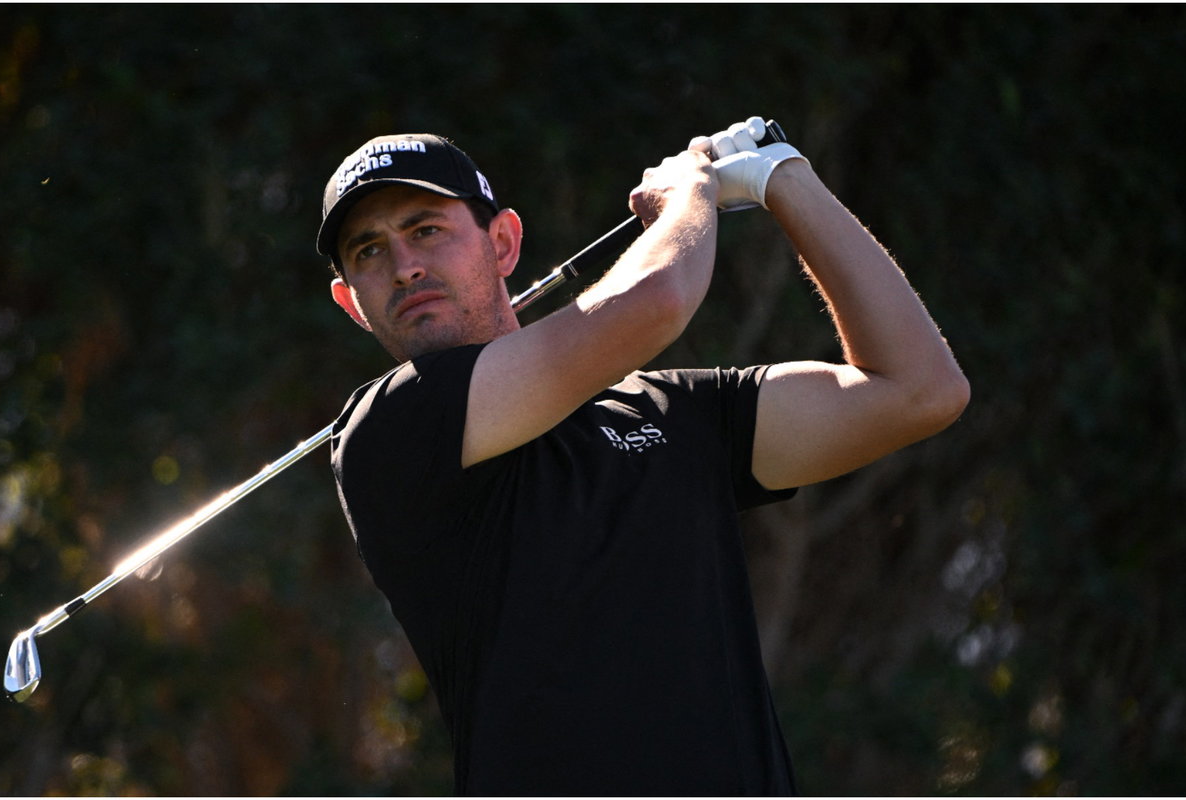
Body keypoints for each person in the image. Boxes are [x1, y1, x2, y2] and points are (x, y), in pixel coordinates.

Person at [317, 119, 969, 795]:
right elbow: (657, 301)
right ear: (352, 304)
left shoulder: (671, 415)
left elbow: (920, 389)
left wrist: (786, 178)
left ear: (504, 242)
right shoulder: (386, 428)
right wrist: (688, 192)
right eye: (368, 251)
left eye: (425, 229)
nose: (404, 265)